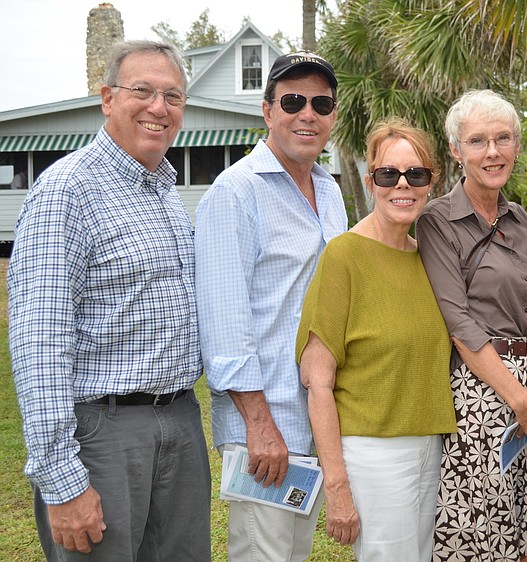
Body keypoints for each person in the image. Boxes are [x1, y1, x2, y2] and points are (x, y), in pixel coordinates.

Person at [7, 40, 210, 561]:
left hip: (181, 422)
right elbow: (39, 341)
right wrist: (62, 478)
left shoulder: (163, 191)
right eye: (142, 91)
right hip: (104, 432)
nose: (158, 108)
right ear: (107, 98)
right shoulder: (66, 191)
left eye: (173, 97)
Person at [194, 51, 347, 561]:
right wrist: (260, 427)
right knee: (265, 555)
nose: (308, 113)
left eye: (321, 103)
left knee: (293, 554)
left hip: (315, 420)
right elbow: (224, 324)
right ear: (267, 110)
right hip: (265, 429)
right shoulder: (235, 192)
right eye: (294, 101)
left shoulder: (329, 190)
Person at [296, 118, 457, 561]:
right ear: (371, 181)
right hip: (373, 454)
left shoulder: (429, 256)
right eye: (389, 174)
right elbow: (318, 381)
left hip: (432, 443)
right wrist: (337, 484)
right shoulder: (343, 256)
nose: (402, 185)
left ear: (431, 182)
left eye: (416, 174)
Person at [417, 89, 527, 562]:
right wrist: (519, 399)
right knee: (481, 536)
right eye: (478, 141)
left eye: (503, 138)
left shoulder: (522, 219)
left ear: (518, 147)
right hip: (482, 392)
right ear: (456, 151)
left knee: (525, 532)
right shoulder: (438, 220)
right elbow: (457, 320)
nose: (492, 151)